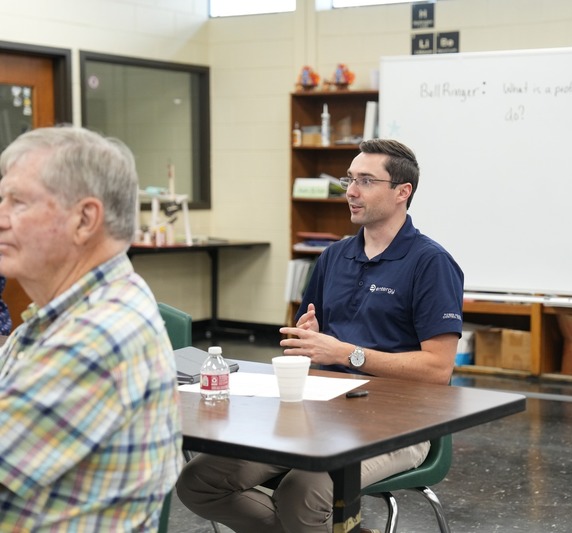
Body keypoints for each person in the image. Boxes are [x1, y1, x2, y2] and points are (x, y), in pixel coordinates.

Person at [176, 138, 464, 532]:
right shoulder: (333, 257)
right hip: (319, 413)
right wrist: (305, 341)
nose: (350, 191)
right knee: (200, 481)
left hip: (401, 425)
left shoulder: (431, 263)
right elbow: (306, 343)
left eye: (365, 180)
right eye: (349, 179)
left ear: (402, 192)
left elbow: (437, 370)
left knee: (304, 491)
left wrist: (347, 353)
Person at [0, 126, 183, 531]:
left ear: (84, 219)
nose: (1, 217)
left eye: (17, 202)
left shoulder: (99, 333)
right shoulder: (62, 314)